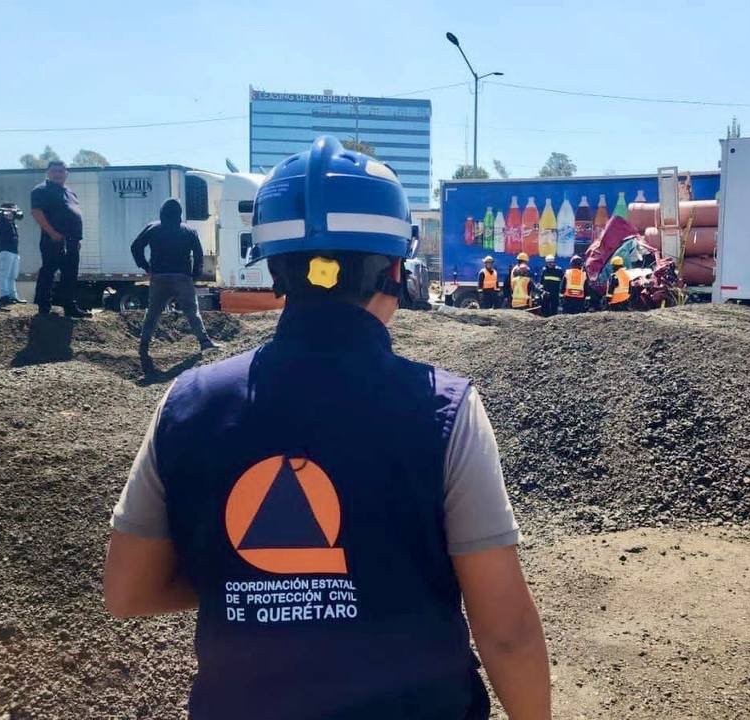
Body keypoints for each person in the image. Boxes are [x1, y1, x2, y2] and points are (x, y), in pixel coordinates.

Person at [103, 136, 551, 720]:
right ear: (396, 269)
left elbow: (128, 590)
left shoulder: (187, 403)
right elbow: (507, 633)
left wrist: (254, 573)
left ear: (275, 269)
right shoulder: (444, 408)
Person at [131, 198, 218, 367]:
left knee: (153, 313)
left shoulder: (153, 228)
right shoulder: (189, 231)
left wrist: (146, 267)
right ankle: (205, 343)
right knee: (192, 311)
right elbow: (199, 256)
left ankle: (143, 346)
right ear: (179, 213)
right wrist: (194, 276)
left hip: (159, 277)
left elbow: (135, 247)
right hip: (182, 277)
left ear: (162, 212)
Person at [31, 160, 90, 318]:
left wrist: (77, 240)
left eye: (61, 171)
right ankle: (43, 306)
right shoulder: (41, 190)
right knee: (49, 271)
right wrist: (52, 232)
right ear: (48, 173)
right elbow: (36, 212)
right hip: (54, 238)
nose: (58, 174)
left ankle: (69, 306)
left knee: (70, 273)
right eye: (54, 171)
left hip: (72, 241)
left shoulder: (70, 192)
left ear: (66, 174)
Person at [0, 202, 26, 305]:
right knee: (4, 274)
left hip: (14, 251)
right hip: (5, 251)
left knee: (13, 276)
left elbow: (21, 216)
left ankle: (13, 296)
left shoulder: (11, 222)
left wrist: (13, 215)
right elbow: (0, 229)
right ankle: (4, 295)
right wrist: (5, 215)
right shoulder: (0, 220)